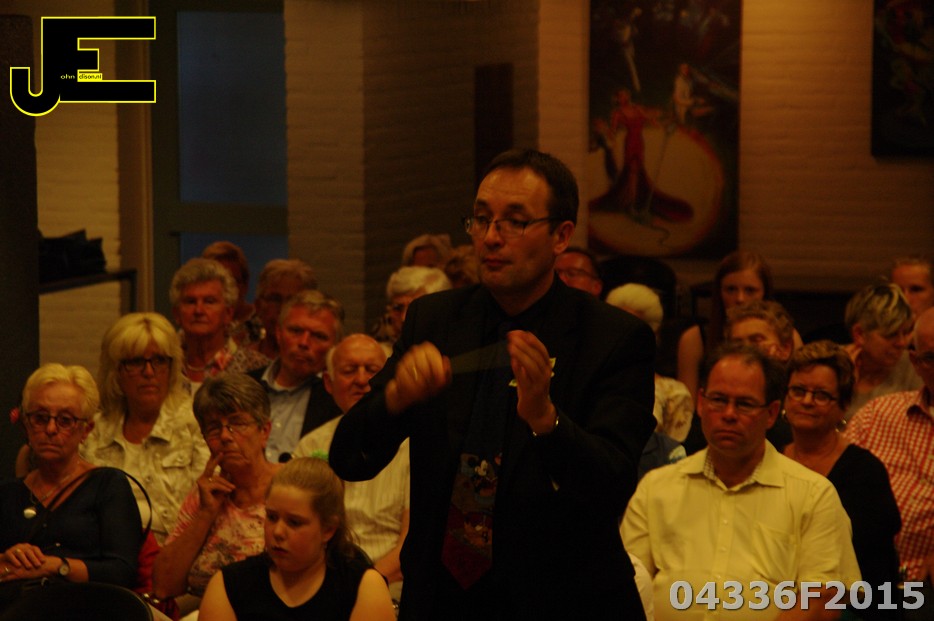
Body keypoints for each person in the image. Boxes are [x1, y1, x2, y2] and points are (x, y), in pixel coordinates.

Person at [329, 148, 656, 620]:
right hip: (441, 600)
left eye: (515, 222)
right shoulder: (434, 320)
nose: (490, 237)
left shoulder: (612, 338)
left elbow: (612, 484)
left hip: (561, 601)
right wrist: (394, 399)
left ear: (561, 235)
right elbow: (349, 459)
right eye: (481, 219)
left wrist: (546, 420)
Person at [621, 343, 861, 621]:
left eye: (744, 404)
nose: (729, 414)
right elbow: (626, 584)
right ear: (700, 403)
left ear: (771, 413)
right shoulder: (657, 488)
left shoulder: (813, 495)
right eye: (718, 400)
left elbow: (822, 601)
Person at [0, 364, 141, 610]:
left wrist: (54, 565)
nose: (50, 429)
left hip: (88, 608)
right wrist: (7, 560)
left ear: (86, 430)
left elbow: (122, 572)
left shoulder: (108, 485)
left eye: (65, 421)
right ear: (26, 424)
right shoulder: (8, 494)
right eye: (40, 418)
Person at [783, 340, 901, 621]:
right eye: (798, 391)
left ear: (844, 405)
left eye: (821, 395)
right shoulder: (769, 458)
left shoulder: (865, 472)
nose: (807, 401)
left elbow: (871, 575)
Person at [198, 457, 395, 621]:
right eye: (272, 517)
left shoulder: (363, 587)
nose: (278, 532)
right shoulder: (229, 584)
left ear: (328, 530)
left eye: (294, 522)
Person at [294, 335, 408, 599]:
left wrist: (363, 588)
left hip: (389, 587)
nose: (362, 379)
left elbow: (413, 543)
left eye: (372, 370)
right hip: (318, 586)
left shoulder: (413, 446)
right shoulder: (310, 444)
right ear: (329, 383)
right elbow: (296, 528)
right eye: (349, 370)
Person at [152, 373, 280, 608]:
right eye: (213, 428)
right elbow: (163, 585)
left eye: (237, 424)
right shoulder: (205, 494)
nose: (224, 436)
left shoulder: (292, 486)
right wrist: (206, 514)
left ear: (264, 431)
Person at [82, 312, 210, 544]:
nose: (149, 372)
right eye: (136, 362)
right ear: (116, 371)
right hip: (107, 551)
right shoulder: (94, 430)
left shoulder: (196, 424)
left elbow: (208, 506)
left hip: (179, 550)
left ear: (172, 367)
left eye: (159, 361)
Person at [846, 307, 934, 620]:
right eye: (932, 357)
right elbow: (831, 489)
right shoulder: (877, 415)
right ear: (916, 363)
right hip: (862, 581)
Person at [249, 290, 344, 463]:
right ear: (278, 333)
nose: (304, 343)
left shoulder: (339, 400)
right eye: (296, 331)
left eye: (318, 336)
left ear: (335, 345)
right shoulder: (244, 385)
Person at [606, 283, 692, 442]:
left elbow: (674, 452)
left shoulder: (674, 394)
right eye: (615, 326)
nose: (620, 336)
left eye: (630, 328)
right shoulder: (590, 381)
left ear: (652, 334)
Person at [170, 258, 269, 393]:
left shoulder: (255, 367)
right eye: (191, 301)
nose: (199, 310)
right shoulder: (163, 364)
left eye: (209, 301)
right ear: (176, 313)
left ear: (228, 313)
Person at [843, 282, 920, 419]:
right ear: (859, 334)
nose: (902, 343)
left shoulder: (915, 368)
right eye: (891, 334)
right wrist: (841, 384)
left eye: (906, 332)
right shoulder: (832, 365)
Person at [253, 258, 318, 360]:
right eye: (275, 299)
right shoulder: (240, 362)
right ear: (258, 306)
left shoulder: (321, 362)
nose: (283, 308)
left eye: (292, 301)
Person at [374, 266, 452, 350]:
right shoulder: (380, 353)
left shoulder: (457, 350)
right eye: (397, 308)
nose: (404, 318)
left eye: (416, 309)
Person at [202, 241, 263, 348]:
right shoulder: (197, 323)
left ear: (245, 284)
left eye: (232, 282)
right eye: (216, 282)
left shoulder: (263, 324)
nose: (225, 289)